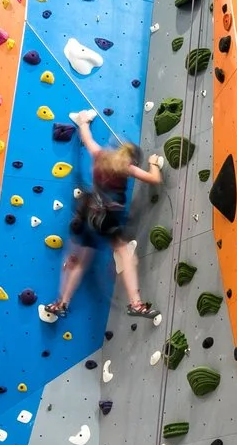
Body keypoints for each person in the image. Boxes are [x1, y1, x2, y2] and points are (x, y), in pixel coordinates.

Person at [41, 107, 164, 322]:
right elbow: (155, 179)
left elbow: (86, 138)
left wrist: (84, 121)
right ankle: (136, 303)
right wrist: (153, 164)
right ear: (133, 159)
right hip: (108, 219)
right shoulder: (127, 167)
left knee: (78, 261)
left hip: (88, 213)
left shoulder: (100, 155)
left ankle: (62, 303)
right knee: (125, 254)